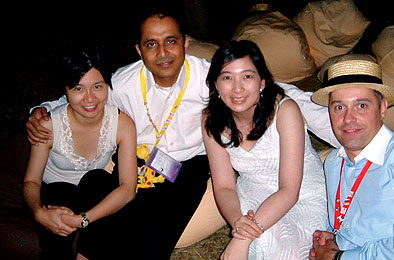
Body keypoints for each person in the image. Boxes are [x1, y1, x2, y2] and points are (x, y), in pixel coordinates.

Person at [25, 5, 337, 259]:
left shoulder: (213, 78)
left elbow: (282, 95)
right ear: (139, 50)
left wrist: (347, 129)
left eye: (171, 41)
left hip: (189, 165)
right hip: (138, 159)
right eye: (151, 44)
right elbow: (84, 94)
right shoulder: (123, 83)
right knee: (107, 205)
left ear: (185, 43)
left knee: (158, 229)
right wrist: (39, 111)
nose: (162, 52)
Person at [309, 58, 394, 260]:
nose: (348, 118)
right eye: (339, 107)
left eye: (362, 105)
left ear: (383, 108)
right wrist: (334, 239)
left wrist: (339, 257)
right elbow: (346, 222)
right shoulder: (333, 163)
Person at [202, 40, 327, 260]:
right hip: (254, 190)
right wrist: (237, 224)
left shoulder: (285, 110)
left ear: (261, 83)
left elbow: (289, 190)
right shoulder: (211, 120)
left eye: (247, 76)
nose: (237, 88)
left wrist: (242, 238)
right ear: (215, 85)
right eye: (227, 77)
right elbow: (223, 186)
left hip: (301, 194)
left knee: (279, 250)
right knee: (261, 242)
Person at [23, 46, 137, 260]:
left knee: (100, 181)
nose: (89, 99)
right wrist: (39, 212)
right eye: (78, 88)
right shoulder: (48, 125)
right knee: (59, 200)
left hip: (91, 190)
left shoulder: (122, 124)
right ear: (65, 90)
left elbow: (128, 189)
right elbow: (31, 181)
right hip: (56, 192)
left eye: (97, 86)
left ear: (108, 85)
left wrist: (84, 219)